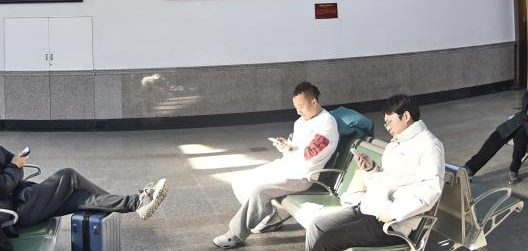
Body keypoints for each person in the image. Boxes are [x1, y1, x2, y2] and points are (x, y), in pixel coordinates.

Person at [0, 103, 169, 229]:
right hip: (13, 212)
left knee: (81, 197)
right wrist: (14, 167)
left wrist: (13, 164)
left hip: (22, 196)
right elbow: (1, 185)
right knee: (68, 176)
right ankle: (134, 202)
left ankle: (136, 203)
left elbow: (8, 161)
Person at [305, 94, 445, 251]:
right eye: (386, 124)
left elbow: (430, 190)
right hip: (368, 209)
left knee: (327, 241)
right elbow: (384, 182)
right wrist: (370, 169)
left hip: (389, 223)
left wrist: (393, 212)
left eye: (390, 122)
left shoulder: (429, 146)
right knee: (316, 226)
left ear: (406, 116)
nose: (388, 127)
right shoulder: (397, 143)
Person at [213, 82, 339, 249]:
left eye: (301, 106)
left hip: (303, 176)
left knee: (261, 191)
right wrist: (286, 146)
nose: (298, 111)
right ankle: (269, 217)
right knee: (241, 181)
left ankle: (235, 234)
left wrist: (291, 150)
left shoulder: (327, 125)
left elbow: (309, 156)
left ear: (314, 102)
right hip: (286, 166)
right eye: (296, 107)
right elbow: (296, 148)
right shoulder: (301, 122)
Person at [463, 90, 528, 185]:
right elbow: (526, 95)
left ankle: (514, 169)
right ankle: (470, 168)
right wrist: (526, 109)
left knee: (521, 141)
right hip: (520, 119)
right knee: (495, 137)